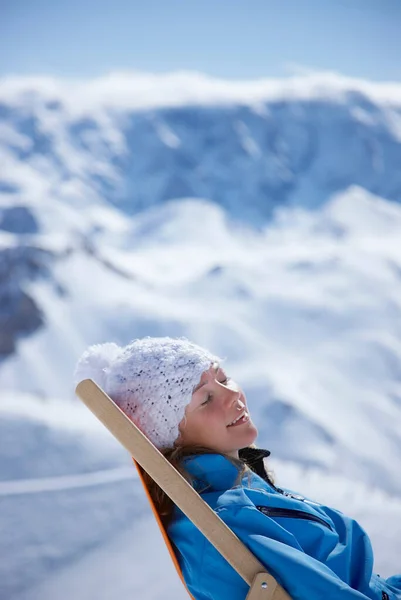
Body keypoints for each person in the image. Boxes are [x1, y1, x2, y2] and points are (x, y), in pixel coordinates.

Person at [74, 336, 401, 600]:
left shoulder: (235, 489)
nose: (233, 396)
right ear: (172, 435)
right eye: (206, 399)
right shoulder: (230, 517)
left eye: (224, 378)